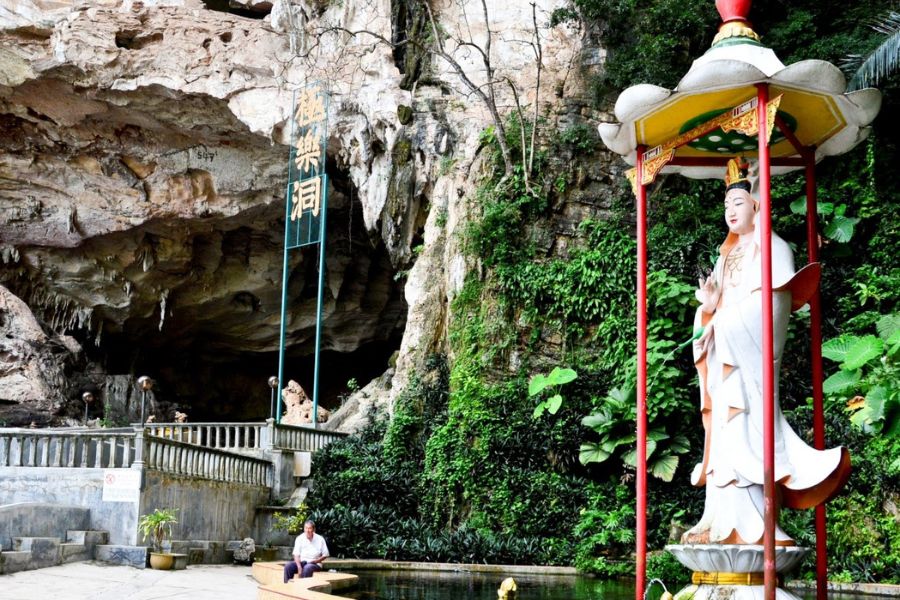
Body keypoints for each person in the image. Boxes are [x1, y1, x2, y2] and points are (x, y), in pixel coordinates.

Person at [681, 158, 850, 546]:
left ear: (757, 204)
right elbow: (714, 312)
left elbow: (774, 308)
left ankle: (755, 525)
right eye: (726, 207)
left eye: (738, 203)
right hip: (724, 365)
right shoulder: (725, 257)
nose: (730, 212)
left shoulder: (774, 248)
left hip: (749, 364)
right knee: (723, 441)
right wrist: (707, 309)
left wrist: (725, 323)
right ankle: (718, 520)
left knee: (747, 437)